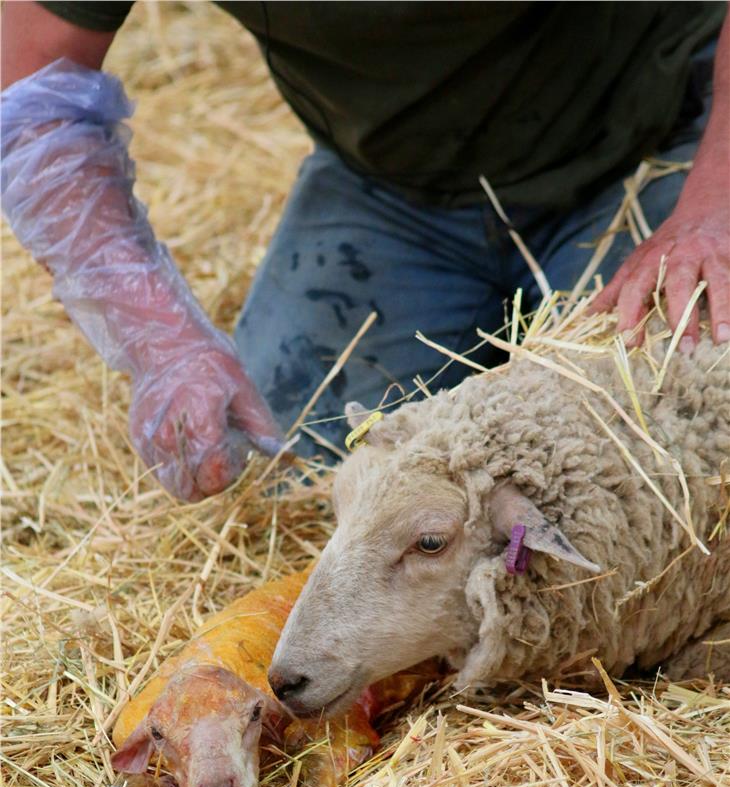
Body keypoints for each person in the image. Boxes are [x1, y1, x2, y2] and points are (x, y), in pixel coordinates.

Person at [2, 2, 728, 500]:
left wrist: (712, 209)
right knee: (288, 475)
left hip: (652, 140)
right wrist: (162, 344)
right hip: (393, 186)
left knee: (650, 472)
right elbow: (26, 86)